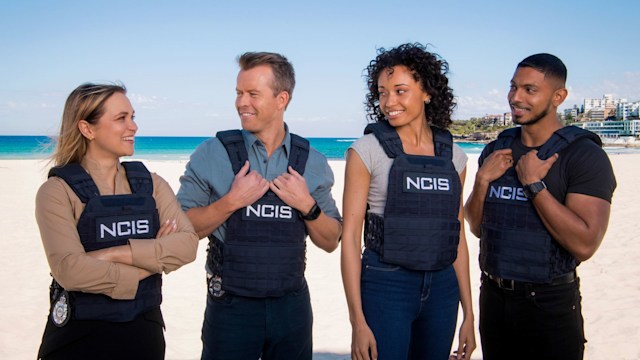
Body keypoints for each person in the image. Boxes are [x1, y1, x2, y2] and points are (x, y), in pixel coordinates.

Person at [177, 51, 342, 360]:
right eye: (239, 93)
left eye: (253, 94)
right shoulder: (212, 154)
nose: (241, 102)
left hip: (291, 307)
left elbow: (331, 240)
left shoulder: (313, 162)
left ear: (282, 99)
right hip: (230, 307)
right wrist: (230, 202)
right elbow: (182, 228)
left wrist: (308, 206)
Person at [464, 53, 617, 360]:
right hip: (493, 297)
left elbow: (586, 244)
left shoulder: (584, 156)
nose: (515, 98)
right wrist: (482, 181)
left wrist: (534, 186)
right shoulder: (497, 149)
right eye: (513, 87)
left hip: (549, 302)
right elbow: (477, 227)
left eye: (529, 90)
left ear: (558, 96)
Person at [35, 83, 199, 360]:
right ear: (87, 129)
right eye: (121, 118)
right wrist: (149, 262)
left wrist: (117, 253)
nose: (133, 127)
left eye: (132, 117)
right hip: (79, 337)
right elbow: (69, 269)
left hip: (144, 334)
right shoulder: (57, 191)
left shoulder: (152, 185)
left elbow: (187, 245)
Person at [341, 43, 476, 360]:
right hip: (386, 284)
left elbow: (457, 238)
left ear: (427, 91)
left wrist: (469, 314)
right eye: (383, 92)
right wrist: (357, 321)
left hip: (443, 289)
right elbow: (349, 238)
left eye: (400, 91)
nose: (389, 102)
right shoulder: (367, 151)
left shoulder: (453, 157)